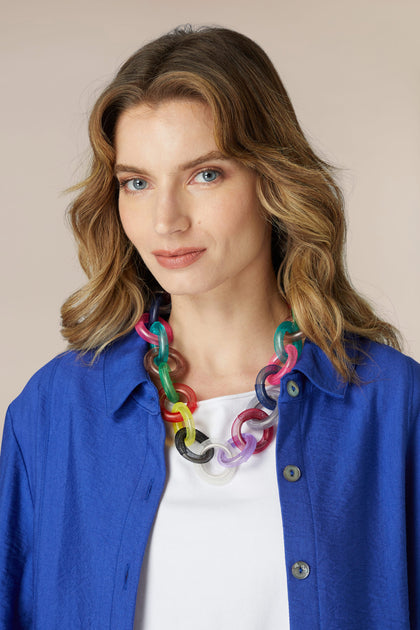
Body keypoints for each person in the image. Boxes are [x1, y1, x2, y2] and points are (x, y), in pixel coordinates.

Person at [0, 24, 418, 630]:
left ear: (272, 181)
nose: (165, 220)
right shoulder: (54, 412)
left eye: (205, 174)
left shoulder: (394, 407)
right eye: (136, 183)